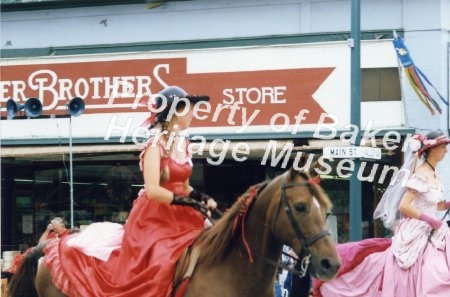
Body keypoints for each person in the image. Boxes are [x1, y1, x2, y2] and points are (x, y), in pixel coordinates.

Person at [42, 86, 217, 297]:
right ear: (174, 113)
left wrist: (202, 198)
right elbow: (153, 190)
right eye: (188, 109)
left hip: (182, 214)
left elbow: (186, 186)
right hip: (155, 218)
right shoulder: (155, 147)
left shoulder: (184, 144)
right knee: (160, 262)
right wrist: (189, 202)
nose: (192, 114)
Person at [314, 130, 450, 297]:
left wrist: (446, 205)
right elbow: (404, 206)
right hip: (418, 229)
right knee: (434, 270)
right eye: (443, 147)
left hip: (435, 228)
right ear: (432, 149)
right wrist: (430, 220)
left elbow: (431, 204)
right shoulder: (421, 174)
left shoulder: (435, 174)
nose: (446, 151)